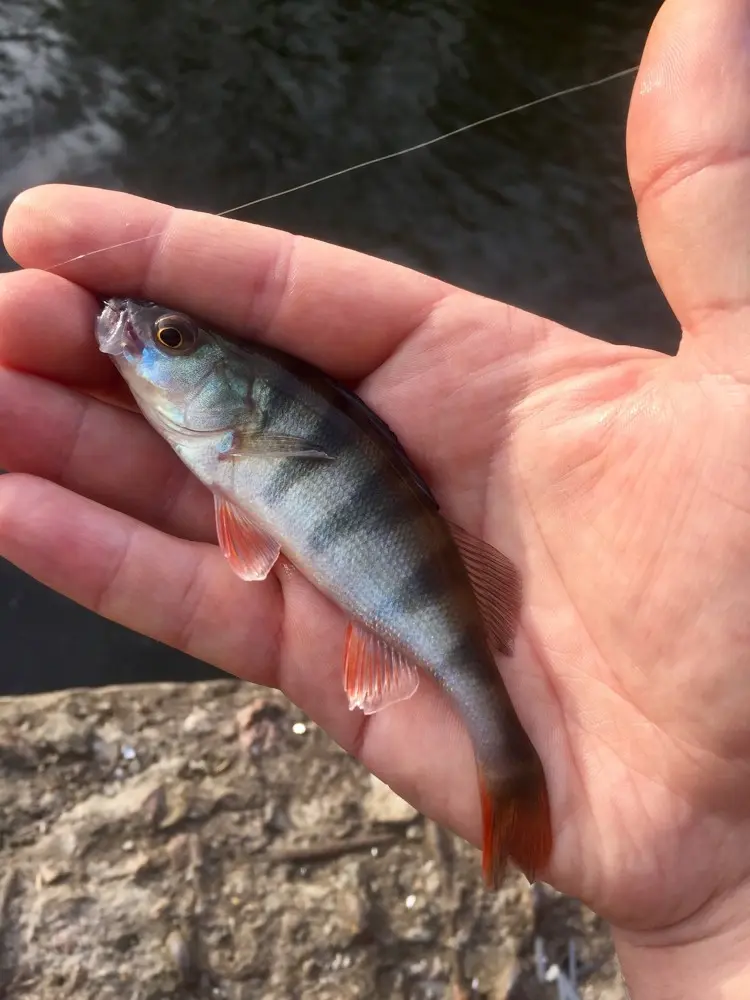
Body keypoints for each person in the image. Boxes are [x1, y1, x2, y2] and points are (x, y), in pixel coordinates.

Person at [0, 0, 748, 994]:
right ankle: (518, 782)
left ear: (239, 397)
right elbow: (251, 538)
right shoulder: (228, 436)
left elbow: (256, 535)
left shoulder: (245, 429)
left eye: (173, 340)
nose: (142, 335)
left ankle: (508, 766)